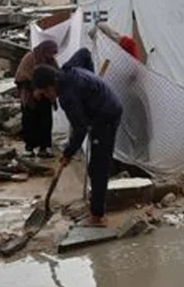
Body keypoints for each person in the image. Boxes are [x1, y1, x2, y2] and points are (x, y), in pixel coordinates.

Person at [31, 64, 122, 227]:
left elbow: (80, 130)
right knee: (95, 166)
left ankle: (98, 217)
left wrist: (67, 154)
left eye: (45, 92)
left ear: (53, 84)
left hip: (107, 115)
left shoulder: (68, 96)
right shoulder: (66, 72)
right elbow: (84, 53)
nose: (46, 96)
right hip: (100, 110)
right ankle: (96, 208)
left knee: (98, 167)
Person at [15, 40, 58, 158]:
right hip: (30, 96)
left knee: (45, 123)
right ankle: (29, 148)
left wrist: (46, 91)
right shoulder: (30, 58)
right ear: (44, 50)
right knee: (30, 122)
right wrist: (35, 88)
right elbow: (21, 76)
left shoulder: (51, 62)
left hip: (44, 98)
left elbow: (56, 76)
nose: (51, 56)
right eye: (50, 53)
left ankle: (43, 149)